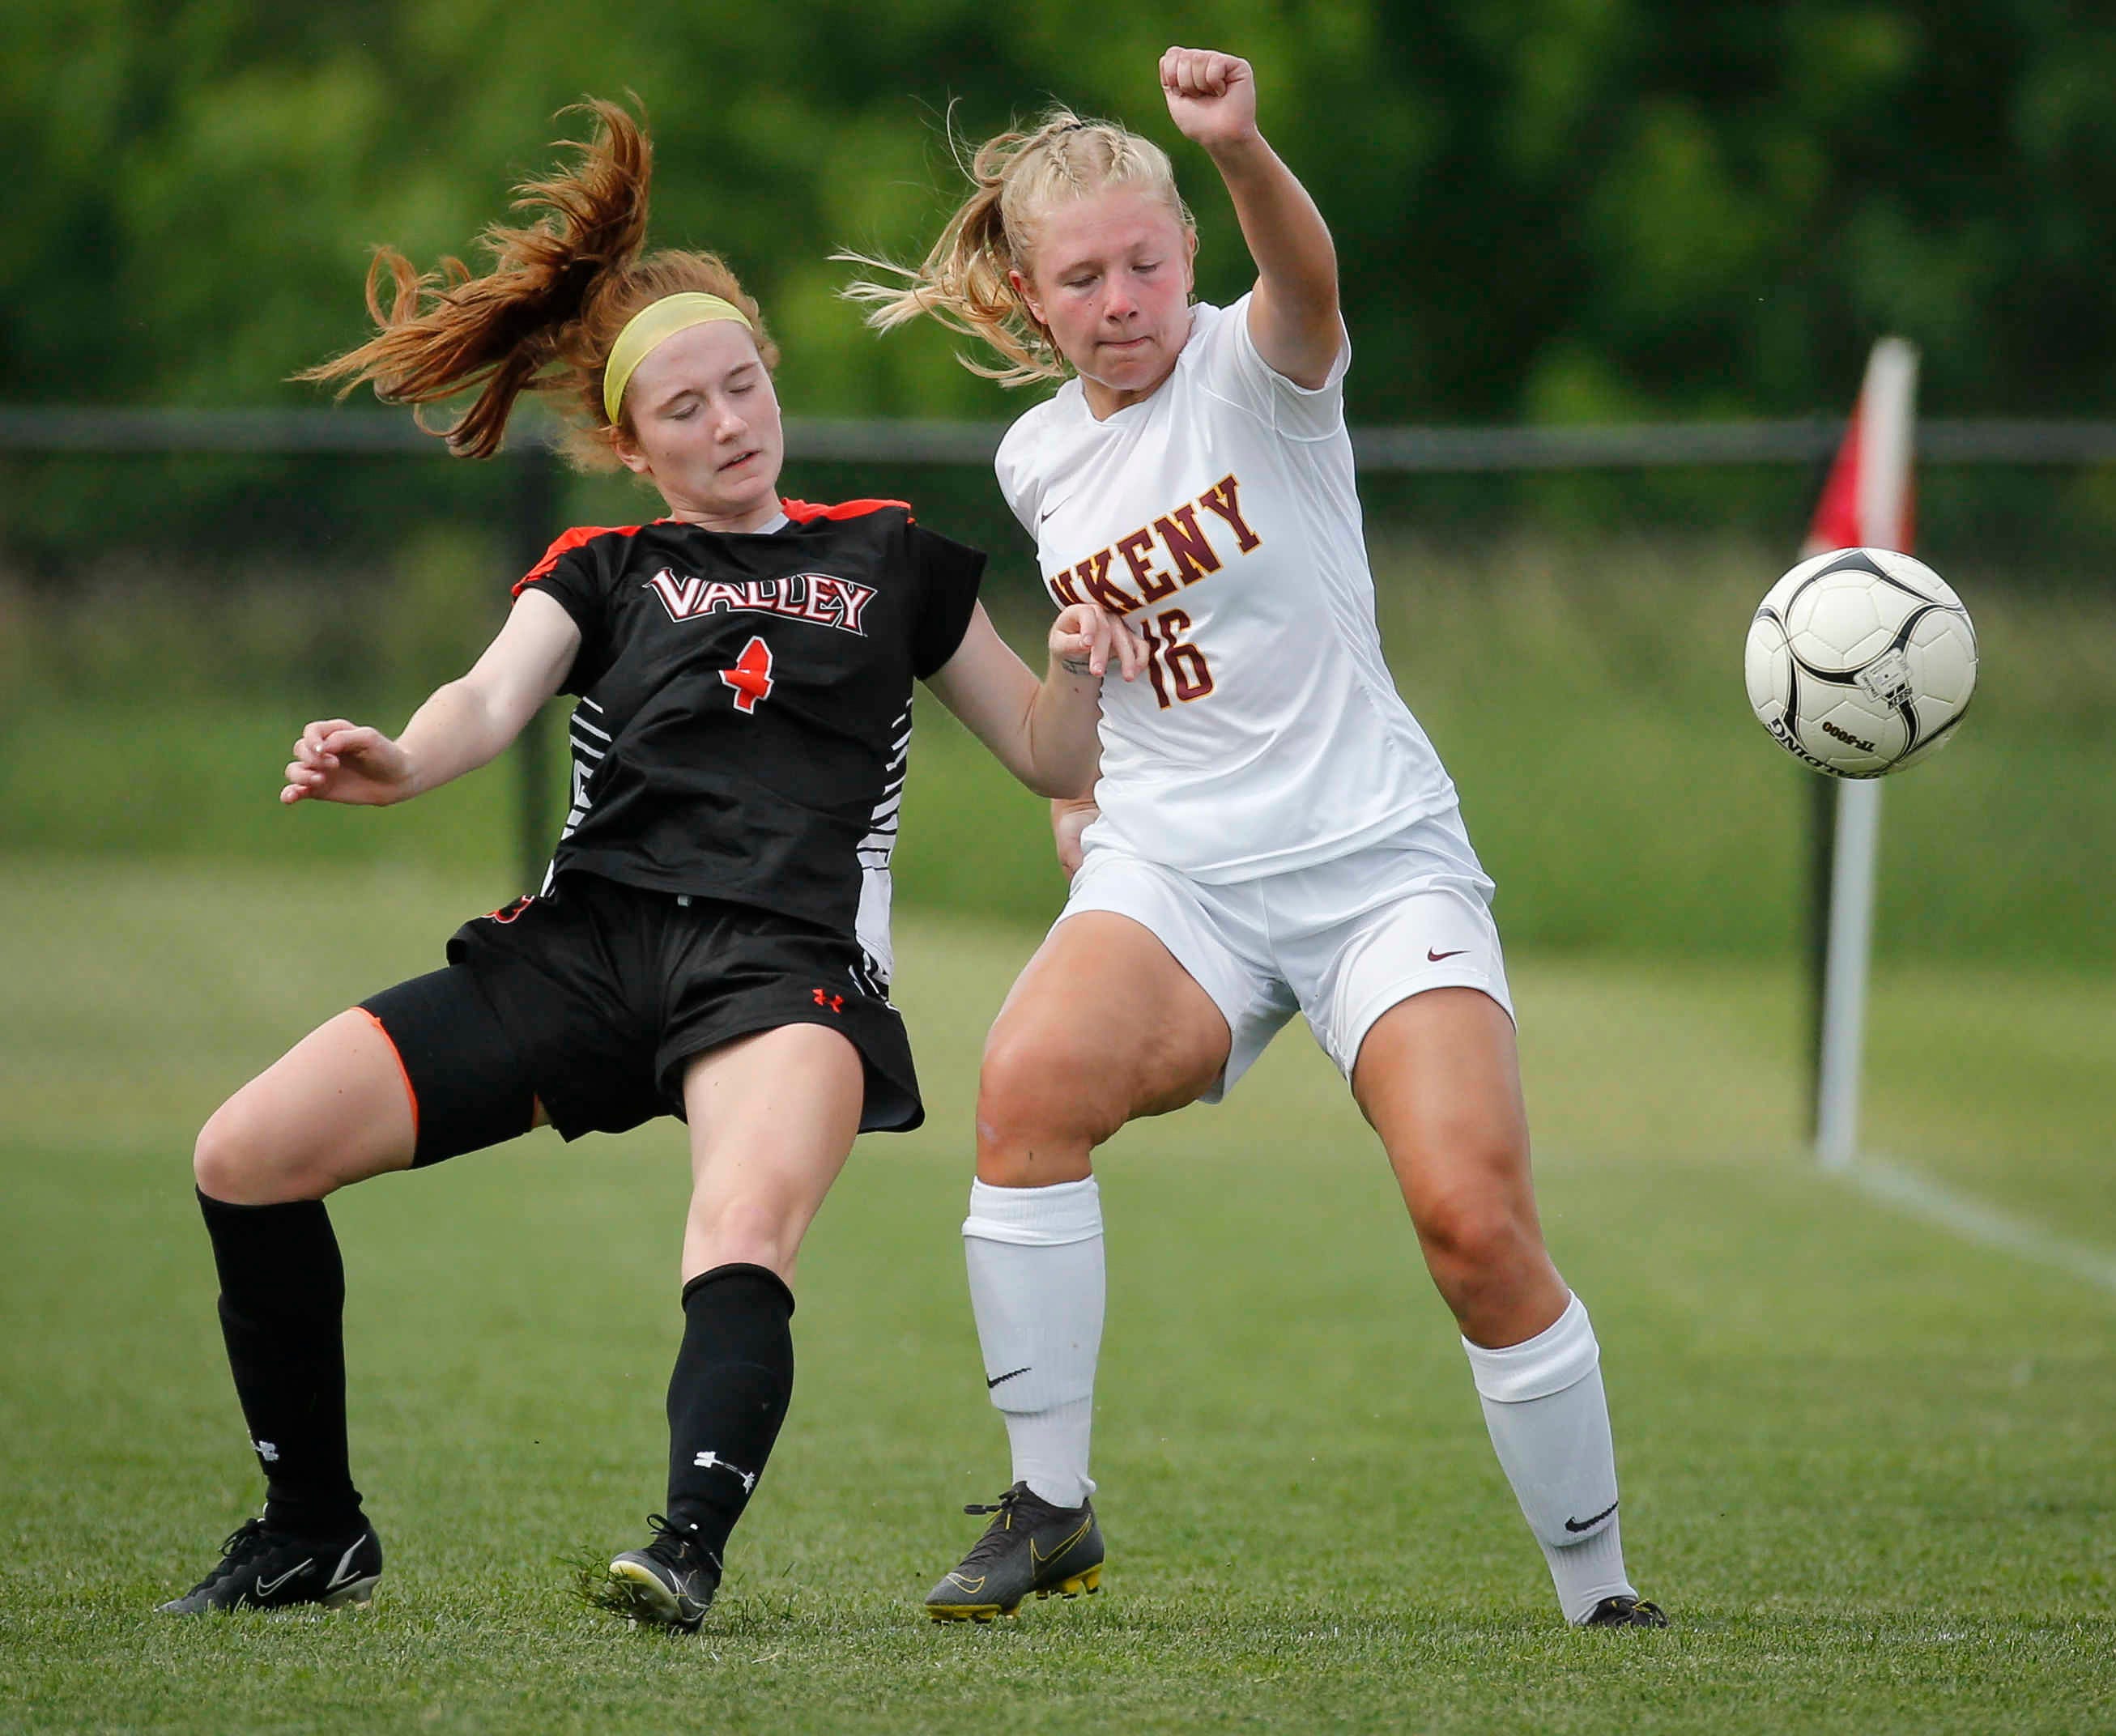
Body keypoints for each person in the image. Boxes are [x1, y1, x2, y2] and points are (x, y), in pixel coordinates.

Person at [160, 100, 1145, 1632]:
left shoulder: (890, 558)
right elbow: (484, 698)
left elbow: (1047, 753)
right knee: (243, 1155)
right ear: (631, 446)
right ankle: (312, 1531)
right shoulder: (605, 569)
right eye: (684, 409)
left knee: (740, 1236)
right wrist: (402, 761)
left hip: (784, 964)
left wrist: (1079, 664)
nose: (729, 423)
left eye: (744, 385)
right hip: (587, 948)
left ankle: (684, 1549)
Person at [841, 49, 1667, 1631]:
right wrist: (1079, 781)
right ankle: (1048, 1509)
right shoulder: (1035, 458)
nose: (1121, 300)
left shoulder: (1251, 367)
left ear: (1187, 253)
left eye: (1145, 263)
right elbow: (1111, 660)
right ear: (1029, 300)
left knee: (1471, 1222)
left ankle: (1598, 1590)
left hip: (1373, 864)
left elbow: (1308, 278)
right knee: (1023, 1089)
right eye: (1081, 278)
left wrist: (1234, 146)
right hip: (1180, 874)